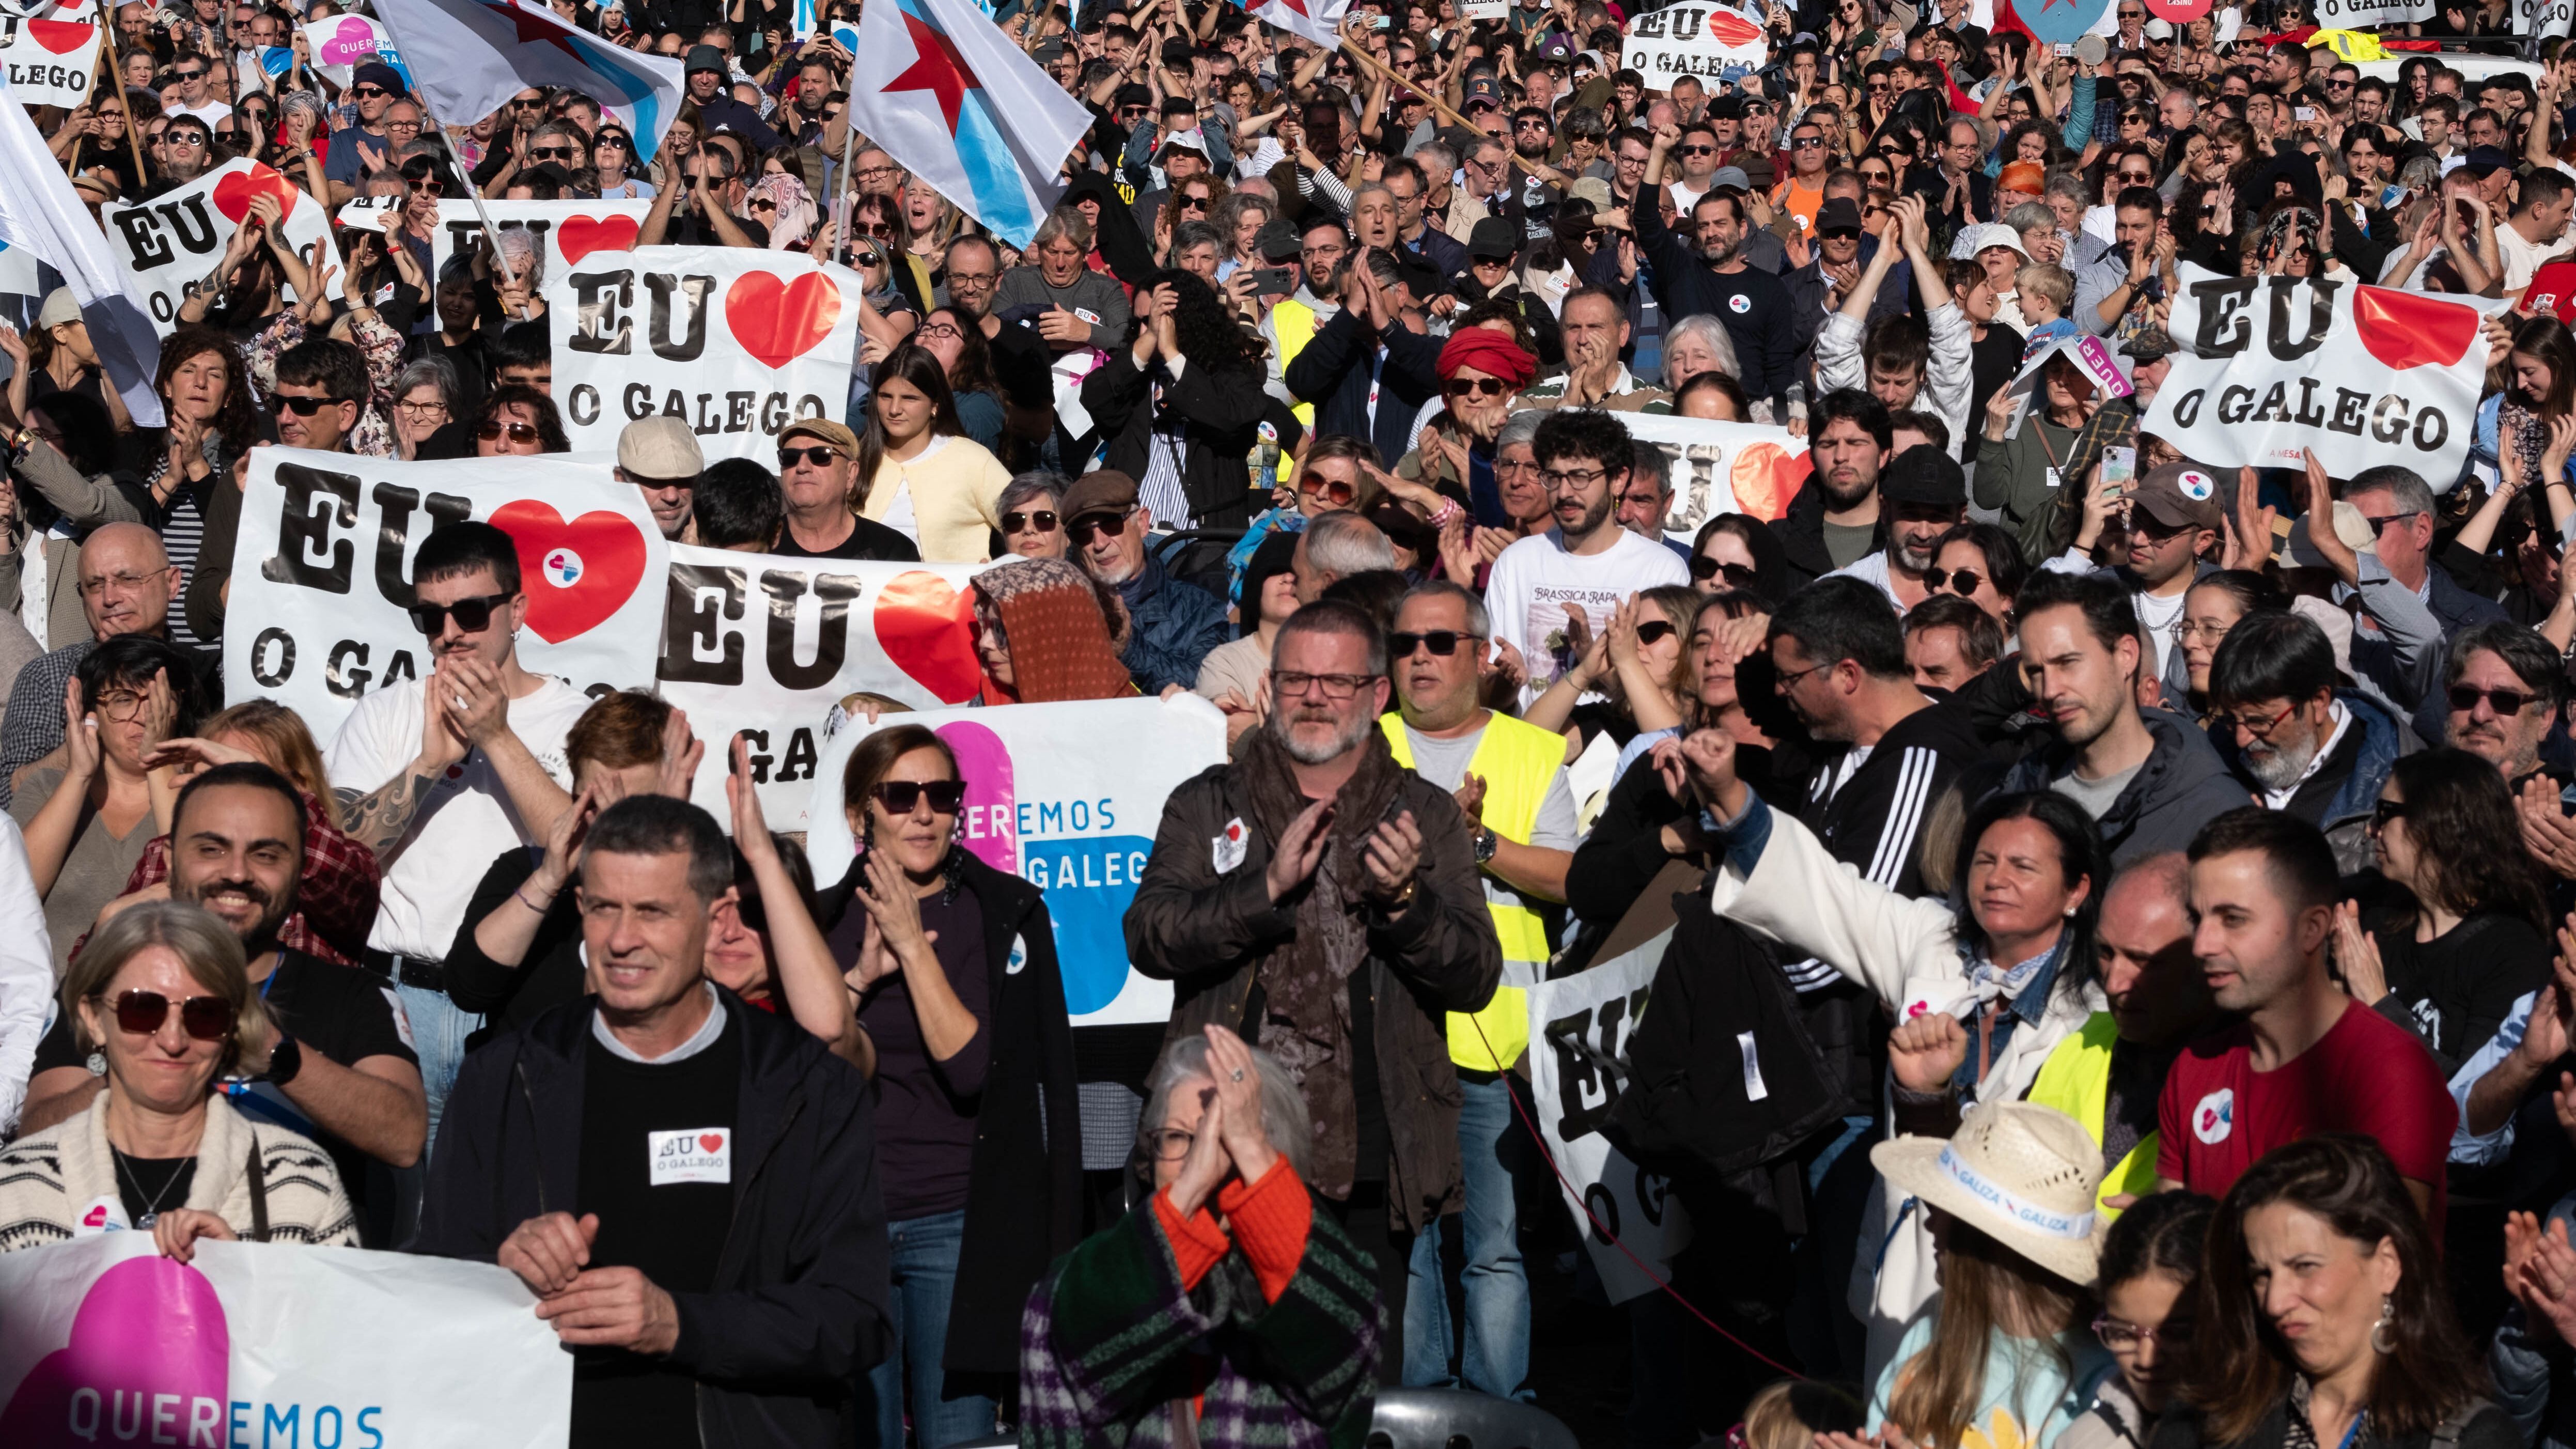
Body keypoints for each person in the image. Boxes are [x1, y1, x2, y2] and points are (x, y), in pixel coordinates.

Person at [414, 796, 889, 1449]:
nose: (620, 939)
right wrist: (498, 1270)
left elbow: (852, 1319)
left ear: (715, 918)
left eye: (652, 912)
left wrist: (679, 1324)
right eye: (603, 907)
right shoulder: (504, 1077)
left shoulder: (807, 1088)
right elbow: (431, 1290)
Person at [1125, 599, 1503, 1383]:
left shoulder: (1422, 814)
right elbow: (1149, 936)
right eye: (1297, 678)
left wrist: (1406, 905)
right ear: (1270, 688)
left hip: (1371, 1155)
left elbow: (1474, 975)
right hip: (1221, 1149)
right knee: (1228, 1388)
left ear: (1376, 694)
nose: (1315, 697)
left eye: (1337, 681)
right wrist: (1261, 891)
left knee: (1354, 1388)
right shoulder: (1208, 802)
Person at [17, 763, 425, 1241]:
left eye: (266, 855)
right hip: (115, 1275)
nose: (236, 873)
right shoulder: (114, 988)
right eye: (211, 849)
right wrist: (142, 1063)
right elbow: (36, 1133)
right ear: (169, 856)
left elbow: (404, 1138)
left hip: (296, 1280)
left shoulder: (353, 993)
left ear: (299, 868)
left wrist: (276, 1051)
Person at [820, 723, 1081, 1448]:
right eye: (900, 795)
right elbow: (808, 1065)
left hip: (954, 1224)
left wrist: (909, 944)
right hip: (850, 1225)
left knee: (956, 1440)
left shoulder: (997, 912)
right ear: (858, 816)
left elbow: (969, 1069)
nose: (924, 812)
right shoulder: (825, 917)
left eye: (942, 794)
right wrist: (861, 976)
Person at [323, 522, 582, 1156]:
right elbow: (340, 858)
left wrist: (496, 736)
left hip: (513, 1009)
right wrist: (429, 763)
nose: (450, 634)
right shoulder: (387, 713)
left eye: (470, 611)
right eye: (430, 618)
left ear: (516, 610)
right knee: (394, 1232)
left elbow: (582, 854)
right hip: (394, 1003)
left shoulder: (578, 720)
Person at [1380, 580, 1573, 1400]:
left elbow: (1570, 880)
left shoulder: (1533, 752)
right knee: (1411, 1241)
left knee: (1491, 1244)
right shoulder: (1363, 744)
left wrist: (1478, 842)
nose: (1418, 658)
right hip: (1391, 1032)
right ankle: (1419, 1408)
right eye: (1403, 644)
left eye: (1438, 642)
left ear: (1478, 655)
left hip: (1496, 1037)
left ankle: (1499, 1413)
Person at [1017, 1027, 1381, 1448]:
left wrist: (1249, 1149)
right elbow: (1071, 1324)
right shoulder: (1091, 1278)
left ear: (1276, 1161)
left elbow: (1341, 1327)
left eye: (1223, 1136)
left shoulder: (1341, 1283)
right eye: (1177, 1137)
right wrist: (1187, 1195)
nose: (1203, 1157)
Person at [0, 900, 355, 1253]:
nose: (173, 1040)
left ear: (232, 1026)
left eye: (205, 1014)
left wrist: (245, 1274)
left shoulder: (302, 1181)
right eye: (143, 1009)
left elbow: (329, 1310)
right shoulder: (16, 1185)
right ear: (94, 1019)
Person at [2156, 809, 2457, 1216]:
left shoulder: (2391, 1070)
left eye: (2233, 919)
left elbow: (2381, 1260)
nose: (2202, 945)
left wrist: (2192, 1241)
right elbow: (2169, 1243)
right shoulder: (2193, 1068)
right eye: (2197, 918)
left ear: (2312, 928)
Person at [2151, 1136, 2515, 1449]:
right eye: (2261, 1273)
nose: (2275, 1301)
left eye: (2304, 1266)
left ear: (2387, 1264)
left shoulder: (2466, 1437)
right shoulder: (2205, 1414)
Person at [1829, 1101, 2116, 1449]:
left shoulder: (2097, 1381)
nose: (1929, 1223)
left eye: (1946, 1209)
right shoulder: (1929, 1334)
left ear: (1988, 1242)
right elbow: (1881, 1426)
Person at [2000, 569, 2255, 863]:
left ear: (2127, 656)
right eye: (2035, 672)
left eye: (2068, 663)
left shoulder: (2214, 813)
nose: (2050, 689)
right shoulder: (2018, 786)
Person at [2334, 749, 2552, 1073]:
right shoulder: (2375, 911)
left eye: (2384, 812)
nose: (2371, 829)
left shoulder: (2510, 952)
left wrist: (2378, 1003)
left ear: (2434, 823)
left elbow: (2468, 1103)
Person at [12, 634, 201, 969]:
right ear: (93, 712)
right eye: (124, 699)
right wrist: (78, 776)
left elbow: (195, 884)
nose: (143, 716)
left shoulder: (201, 793)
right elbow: (13, 896)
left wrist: (156, 762)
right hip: (49, 1005)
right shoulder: (45, 789)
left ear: (178, 704)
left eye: (157, 699)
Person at [1481, 410, 1690, 704]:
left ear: (1618, 480)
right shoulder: (1515, 562)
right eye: (1553, 477)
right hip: (1531, 743)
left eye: (1580, 477)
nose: (1564, 492)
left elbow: (1666, 697)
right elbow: (1490, 691)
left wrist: (1593, 663)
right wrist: (1508, 683)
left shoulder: (1661, 568)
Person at [0, 522, 202, 808]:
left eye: (129, 580)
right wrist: (77, 749)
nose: (110, 599)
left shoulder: (209, 674)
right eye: (95, 585)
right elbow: (7, 796)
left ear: (172, 583)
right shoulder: (49, 678)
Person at [2204, 612, 2407, 875]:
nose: (2242, 739)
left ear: (2319, 702)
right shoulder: (2210, 757)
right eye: (2232, 719)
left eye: (2260, 721)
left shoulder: (2395, 787)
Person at [1082, 270, 1271, 533]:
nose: (1150, 328)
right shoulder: (1134, 372)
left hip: (1200, 538)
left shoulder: (1231, 372)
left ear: (1189, 321)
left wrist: (1173, 355)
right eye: (1141, 322)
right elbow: (1096, 398)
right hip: (1130, 531)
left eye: (1159, 320)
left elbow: (1234, 419)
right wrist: (1149, 338)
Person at [2064, 1191, 2217, 1449]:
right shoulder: (2082, 1442)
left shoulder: (2292, 1428)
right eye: (2123, 1334)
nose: (2146, 1361)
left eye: (2177, 1333)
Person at [1060, 469, 1228, 696]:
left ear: (1142, 523)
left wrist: (1129, 647)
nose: (1099, 543)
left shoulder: (1199, 609)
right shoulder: (1061, 609)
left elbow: (1207, 686)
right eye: (1083, 534)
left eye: (1111, 525)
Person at [854, 345, 1011, 563]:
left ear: (935, 404)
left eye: (910, 398)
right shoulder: (855, 459)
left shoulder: (972, 460)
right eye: (885, 396)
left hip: (954, 595)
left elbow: (1029, 523)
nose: (894, 409)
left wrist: (999, 575)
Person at [966, 558, 1137, 705]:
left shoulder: (1138, 717)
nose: (984, 643)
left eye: (1001, 629)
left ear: (1051, 635)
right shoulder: (984, 709)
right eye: (986, 625)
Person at [1826, 444, 1967, 612]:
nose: (1923, 533)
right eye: (1910, 514)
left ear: (1960, 518)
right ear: (1885, 510)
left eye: (1937, 517)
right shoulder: (1836, 595)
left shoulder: (1982, 597)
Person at [773, 419, 922, 562]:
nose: (802, 467)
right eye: (790, 457)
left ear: (851, 474)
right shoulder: (757, 543)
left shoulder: (892, 553)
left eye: (820, 455)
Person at [617, 416, 701, 543]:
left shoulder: (729, 542)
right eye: (655, 482)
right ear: (621, 480)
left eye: (684, 480)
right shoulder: (594, 549)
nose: (671, 497)